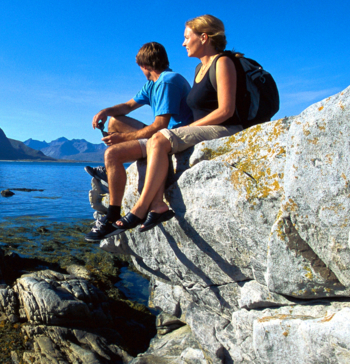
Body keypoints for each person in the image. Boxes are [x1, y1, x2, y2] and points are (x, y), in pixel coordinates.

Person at [106, 14, 244, 236]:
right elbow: (129, 106)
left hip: (227, 127)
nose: (183, 43)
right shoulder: (200, 69)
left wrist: (187, 128)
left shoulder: (223, 62)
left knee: (159, 137)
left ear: (204, 37)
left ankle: (140, 209)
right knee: (156, 139)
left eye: (187, 37)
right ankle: (158, 205)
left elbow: (226, 110)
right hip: (203, 126)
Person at [84, 42, 193, 242]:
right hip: (164, 134)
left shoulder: (167, 82)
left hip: (173, 138)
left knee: (112, 154)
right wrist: (105, 111)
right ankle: (113, 173)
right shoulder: (153, 82)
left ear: (144, 65)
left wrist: (122, 139)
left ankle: (112, 214)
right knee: (115, 120)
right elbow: (127, 106)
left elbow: (160, 125)